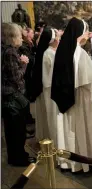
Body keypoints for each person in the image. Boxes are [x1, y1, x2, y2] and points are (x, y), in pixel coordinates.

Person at [51, 17, 92, 173]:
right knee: (78, 131)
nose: (87, 35)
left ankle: (67, 162)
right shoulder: (79, 53)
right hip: (79, 101)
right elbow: (90, 81)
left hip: (65, 102)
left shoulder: (61, 50)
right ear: (79, 33)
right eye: (85, 32)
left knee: (66, 130)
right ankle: (80, 163)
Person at [1, 23, 36, 166]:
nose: (22, 38)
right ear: (13, 36)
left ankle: (19, 155)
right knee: (16, 131)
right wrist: (24, 64)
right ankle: (18, 158)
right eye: (19, 35)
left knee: (15, 131)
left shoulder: (8, 50)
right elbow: (16, 78)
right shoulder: (10, 52)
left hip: (10, 97)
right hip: (13, 98)